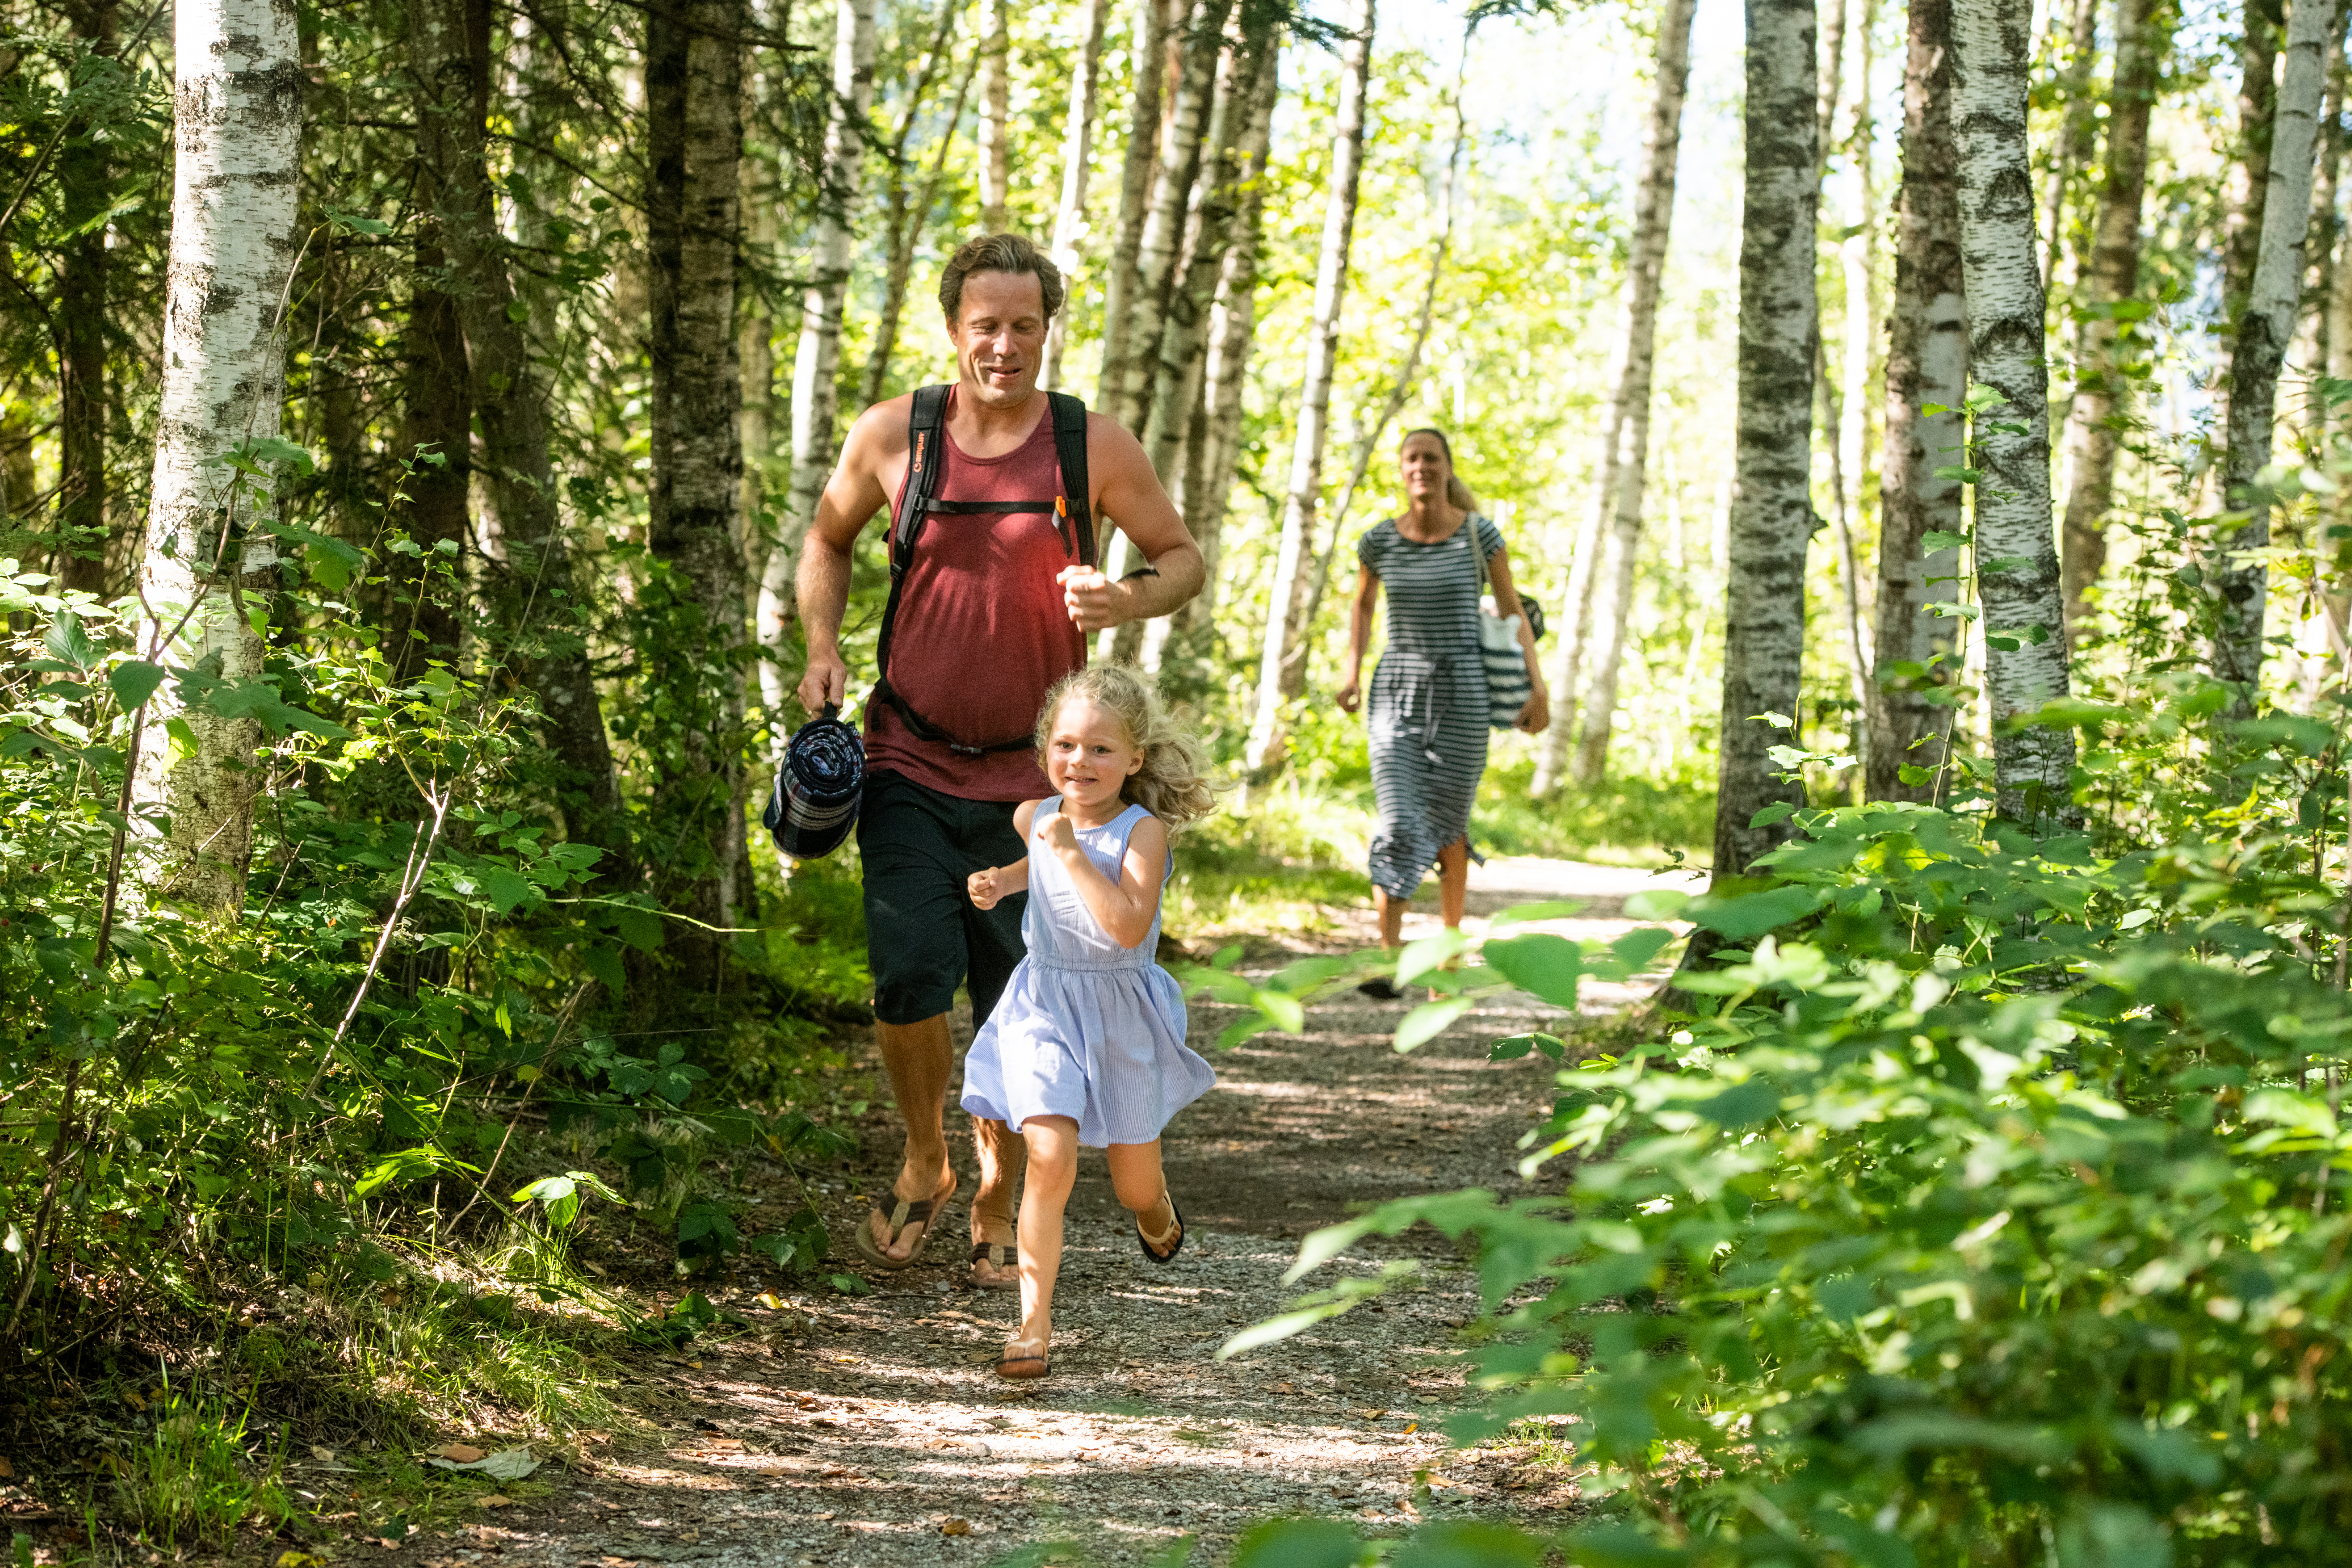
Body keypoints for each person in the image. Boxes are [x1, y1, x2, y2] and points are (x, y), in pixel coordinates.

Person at [795, 234, 1205, 1287]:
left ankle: (996, 1181)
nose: (1005, 346)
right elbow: (825, 538)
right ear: (952, 329)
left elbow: (1180, 559)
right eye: (986, 325)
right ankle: (927, 1155)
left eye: (1025, 326)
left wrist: (1129, 597)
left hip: (1041, 788)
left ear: (1046, 331)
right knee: (905, 978)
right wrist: (821, 650)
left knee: (1020, 996)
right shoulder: (896, 435)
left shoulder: (1088, 445)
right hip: (905, 759)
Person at [961, 666, 1220, 1378]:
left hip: (1120, 1011)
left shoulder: (1145, 835)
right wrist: (1000, 882)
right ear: (1046, 749)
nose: (1081, 763)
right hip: (1043, 1004)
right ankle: (1031, 1324)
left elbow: (1127, 929)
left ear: (1134, 759)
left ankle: (1155, 1210)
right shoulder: (1034, 818)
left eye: (1102, 750)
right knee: (1048, 1154)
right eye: (1066, 746)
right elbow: (1031, 867)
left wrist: (1072, 854)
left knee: (1134, 1185)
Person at [1336, 428, 1547, 995]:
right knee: (1399, 819)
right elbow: (1361, 607)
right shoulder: (1378, 541)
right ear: (1401, 470)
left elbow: (1512, 613)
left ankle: (1449, 956)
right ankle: (1388, 960)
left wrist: (1538, 688)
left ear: (1447, 467)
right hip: (1396, 690)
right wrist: (1351, 671)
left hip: (1464, 691)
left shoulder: (1479, 536)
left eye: (1431, 458)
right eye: (1412, 459)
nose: (1421, 467)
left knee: (1449, 825)